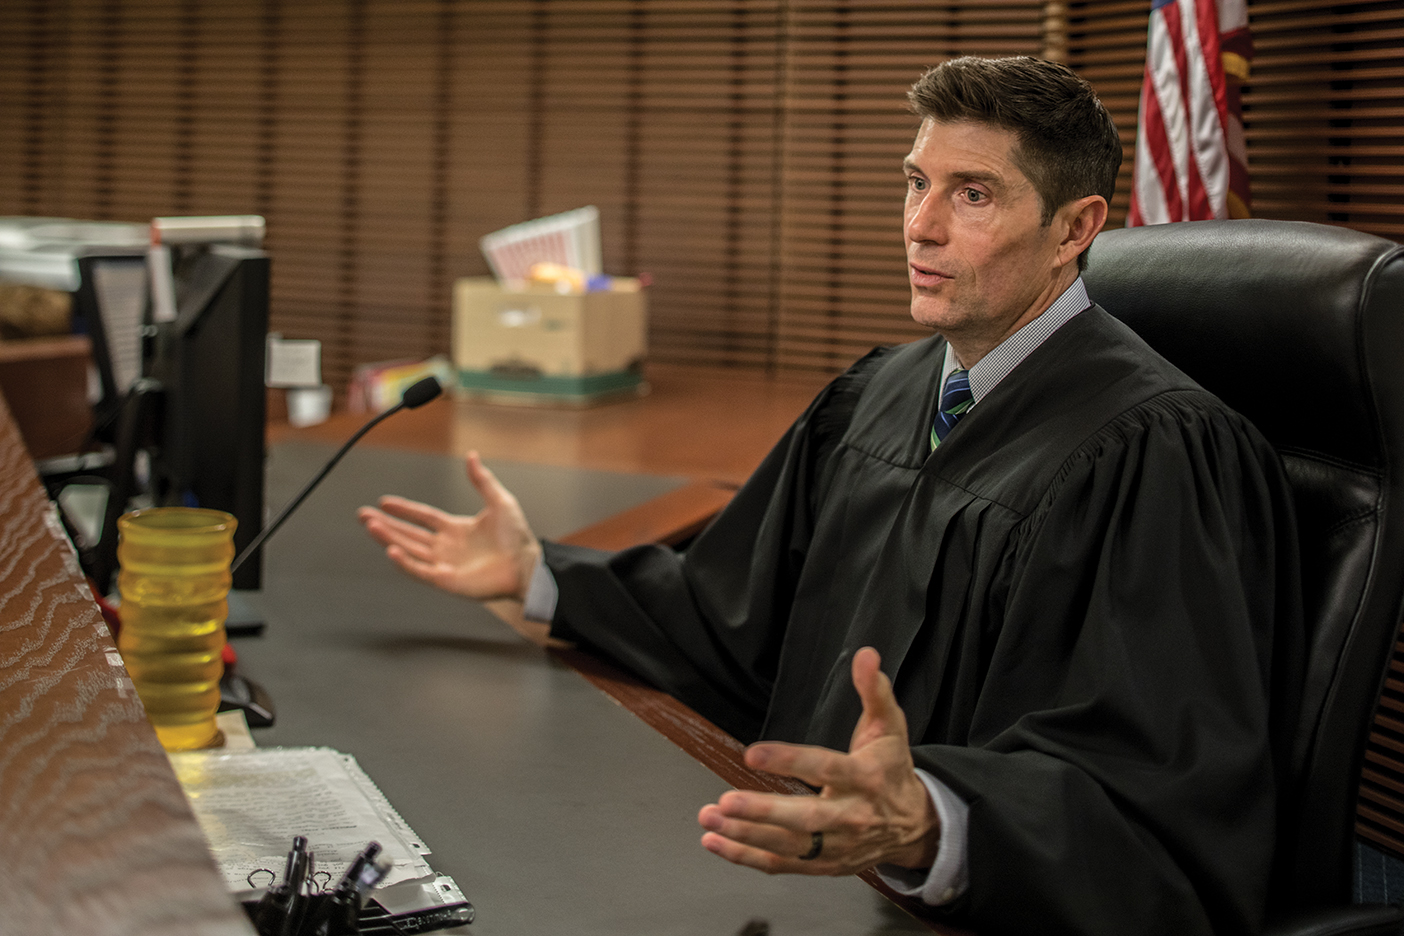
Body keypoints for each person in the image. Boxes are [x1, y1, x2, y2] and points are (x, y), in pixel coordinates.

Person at [359, 56, 1302, 935]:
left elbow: (1152, 782)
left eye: (972, 194)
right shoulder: (877, 394)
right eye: (915, 181)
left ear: (1076, 228)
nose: (921, 225)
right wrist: (540, 575)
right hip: (802, 883)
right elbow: (732, 616)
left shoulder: (1156, 451)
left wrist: (929, 819)